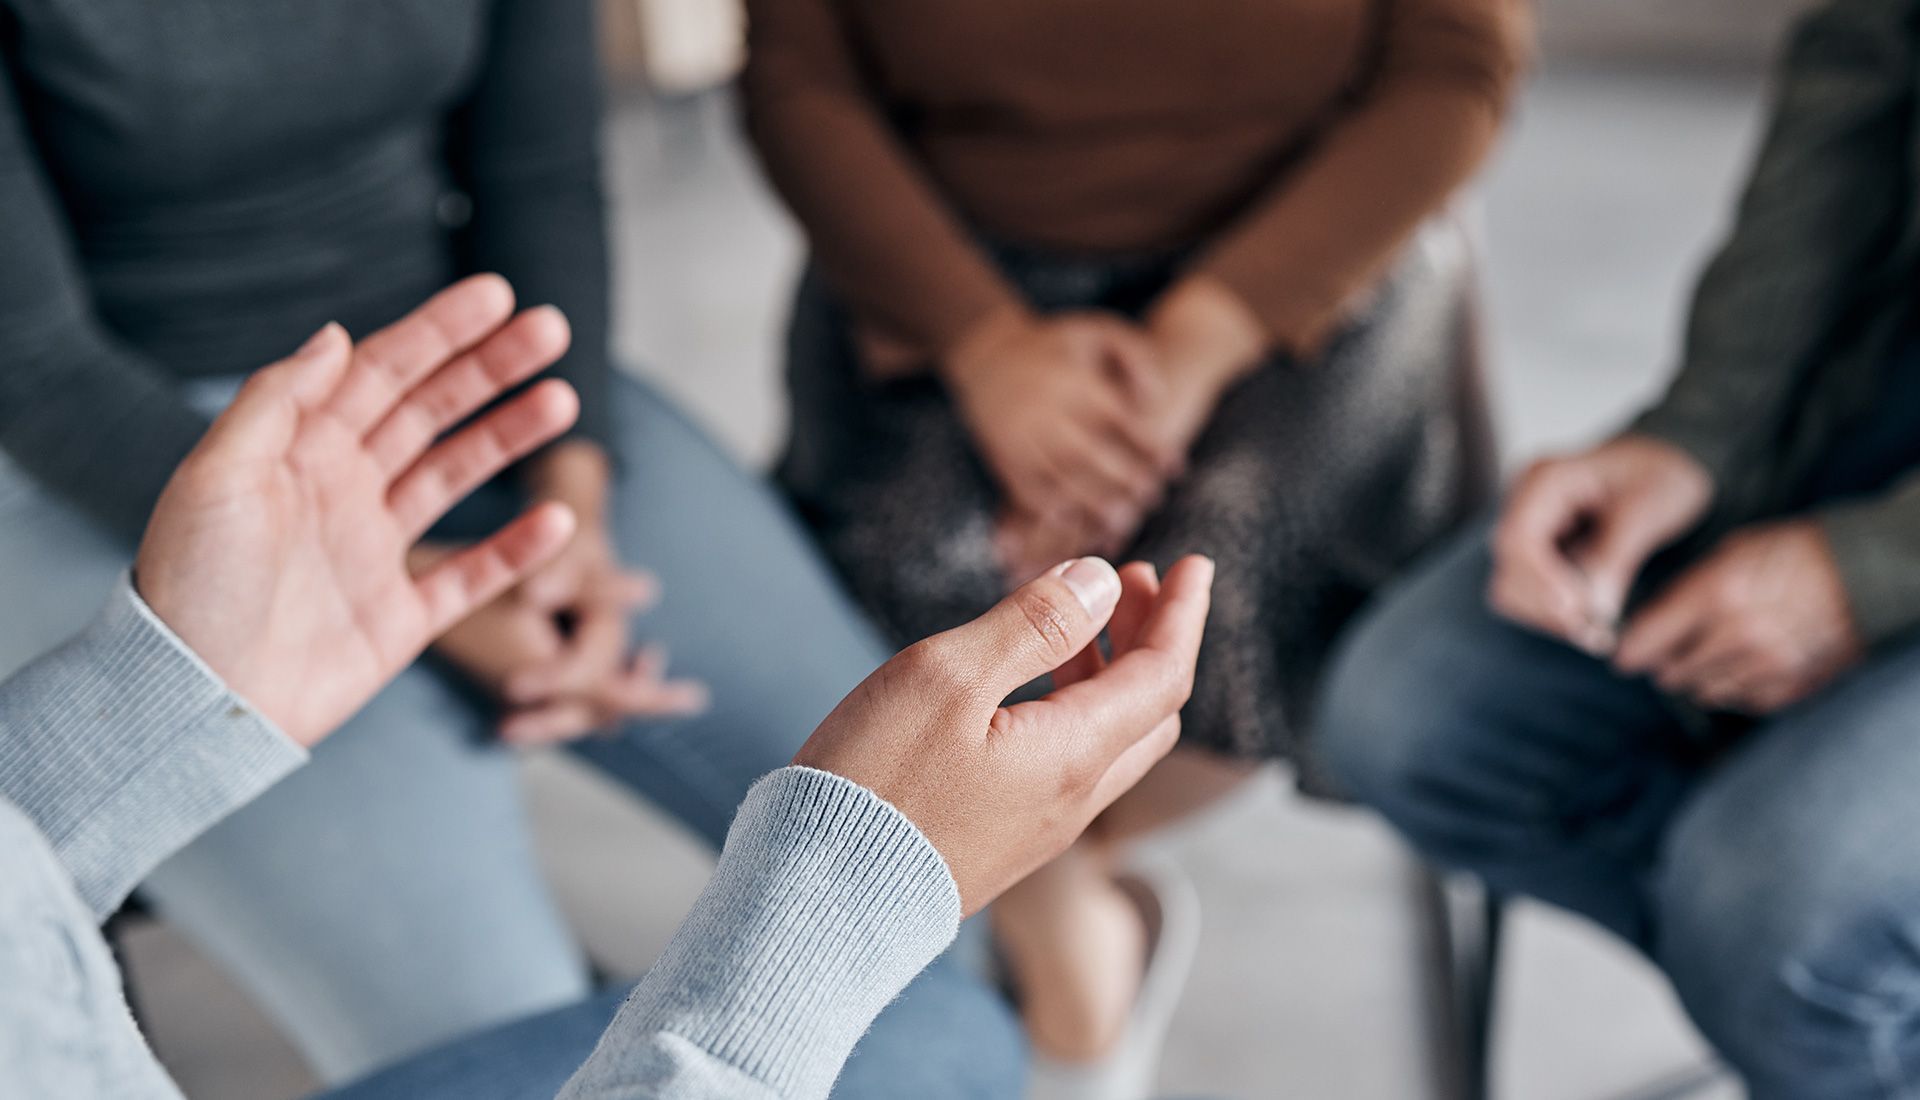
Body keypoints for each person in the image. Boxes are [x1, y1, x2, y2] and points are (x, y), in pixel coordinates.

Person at [0, 0, 1015, 1086]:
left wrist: (565, 498)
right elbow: (32, 362)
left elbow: (540, 175)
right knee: (513, 1049)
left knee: (927, 851)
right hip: (128, 450)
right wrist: (435, 596)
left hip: (478, 380)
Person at [0, 277, 1216, 1100]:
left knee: (945, 1006)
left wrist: (153, 700)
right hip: (119, 463)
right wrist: (834, 903)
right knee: (942, 1037)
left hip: (430, 448)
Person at [741, 0, 1529, 1078]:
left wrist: (1200, 342)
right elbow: (797, 82)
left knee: (1217, 584)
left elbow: (1454, 71)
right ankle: (1076, 971)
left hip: (1304, 254)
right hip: (942, 265)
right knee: (917, 570)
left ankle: (1015, 905)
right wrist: (986, 346)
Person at [1320, 1, 1920, 1094]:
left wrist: (1872, 569)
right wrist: (1698, 436)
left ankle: (1811, 1002)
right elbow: (1854, 93)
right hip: (1873, 392)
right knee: (1413, 714)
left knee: (1782, 914)